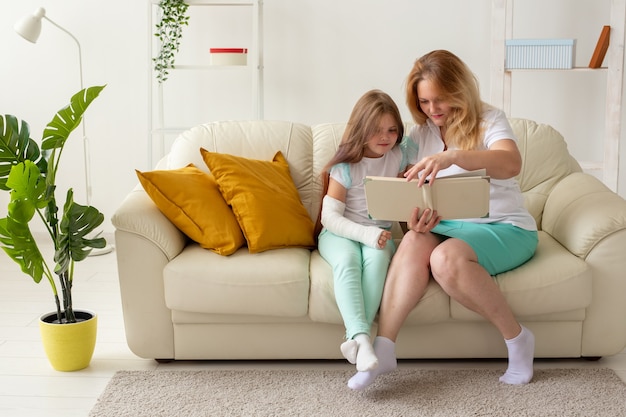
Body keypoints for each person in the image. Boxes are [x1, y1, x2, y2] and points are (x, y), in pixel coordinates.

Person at [347, 50, 539, 390]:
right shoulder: (421, 135)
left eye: (440, 100)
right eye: (423, 102)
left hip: (504, 227)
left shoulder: (489, 120)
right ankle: (384, 347)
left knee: (444, 259)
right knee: (412, 241)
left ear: (458, 90)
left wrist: (454, 156)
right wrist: (413, 221)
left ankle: (517, 339)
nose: (432, 110)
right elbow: (405, 190)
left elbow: (510, 163)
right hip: (450, 227)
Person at [317, 89, 416, 374]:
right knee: (348, 262)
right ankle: (361, 338)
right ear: (360, 129)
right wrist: (366, 235)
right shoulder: (346, 165)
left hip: (379, 235)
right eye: (375, 130)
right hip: (340, 234)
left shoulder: (400, 154)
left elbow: (427, 136)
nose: (384, 136)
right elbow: (330, 218)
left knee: (377, 263)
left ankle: (358, 345)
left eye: (391, 129)